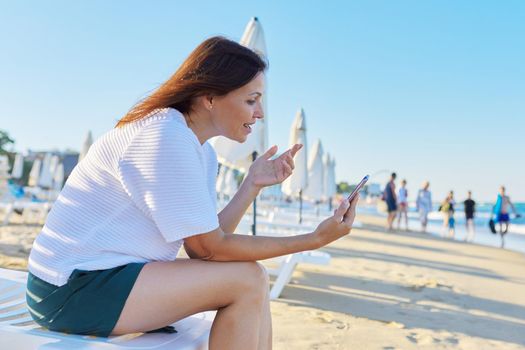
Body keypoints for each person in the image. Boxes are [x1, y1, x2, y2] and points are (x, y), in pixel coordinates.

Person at [25, 37, 360, 349]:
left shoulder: (201, 151)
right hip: (69, 288)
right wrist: (314, 239)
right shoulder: (164, 135)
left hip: (108, 277)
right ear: (210, 97)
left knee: (250, 277)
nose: (259, 113)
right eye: (251, 100)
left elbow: (203, 245)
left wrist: (251, 184)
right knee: (246, 279)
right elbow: (210, 249)